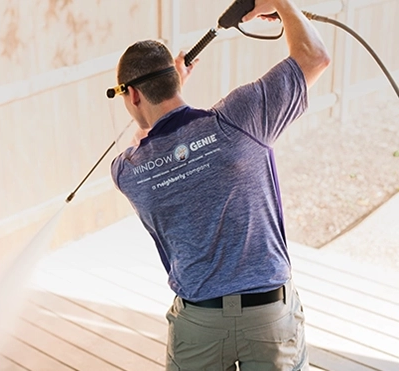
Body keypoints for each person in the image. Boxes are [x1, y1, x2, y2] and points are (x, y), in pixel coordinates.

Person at [108, 0, 330, 370]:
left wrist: (162, 100)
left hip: (199, 327)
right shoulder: (240, 118)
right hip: (268, 317)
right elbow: (314, 57)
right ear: (173, 80)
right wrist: (280, 3)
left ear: (131, 94)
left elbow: (147, 140)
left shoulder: (128, 173)